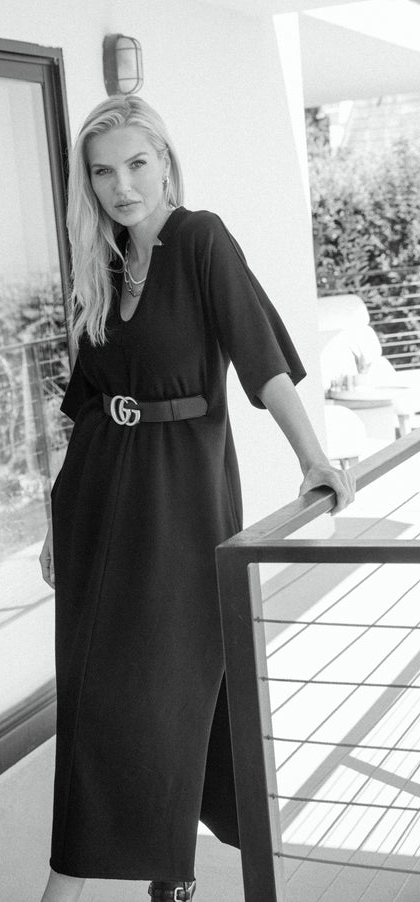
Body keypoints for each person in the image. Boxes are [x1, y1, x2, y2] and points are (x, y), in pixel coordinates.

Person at [38, 95, 355, 902]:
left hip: (178, 497)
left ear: (167, 162)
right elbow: (82, 405)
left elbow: (262, 361)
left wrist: (314, 456)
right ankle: (157, 870)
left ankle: (97, 880)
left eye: (137, 163)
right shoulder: (104, 268)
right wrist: (53, 516)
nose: (121, 185)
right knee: (94, 691)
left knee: (163, 679)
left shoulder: (201, 240)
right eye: (103, 171)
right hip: (95, 495)